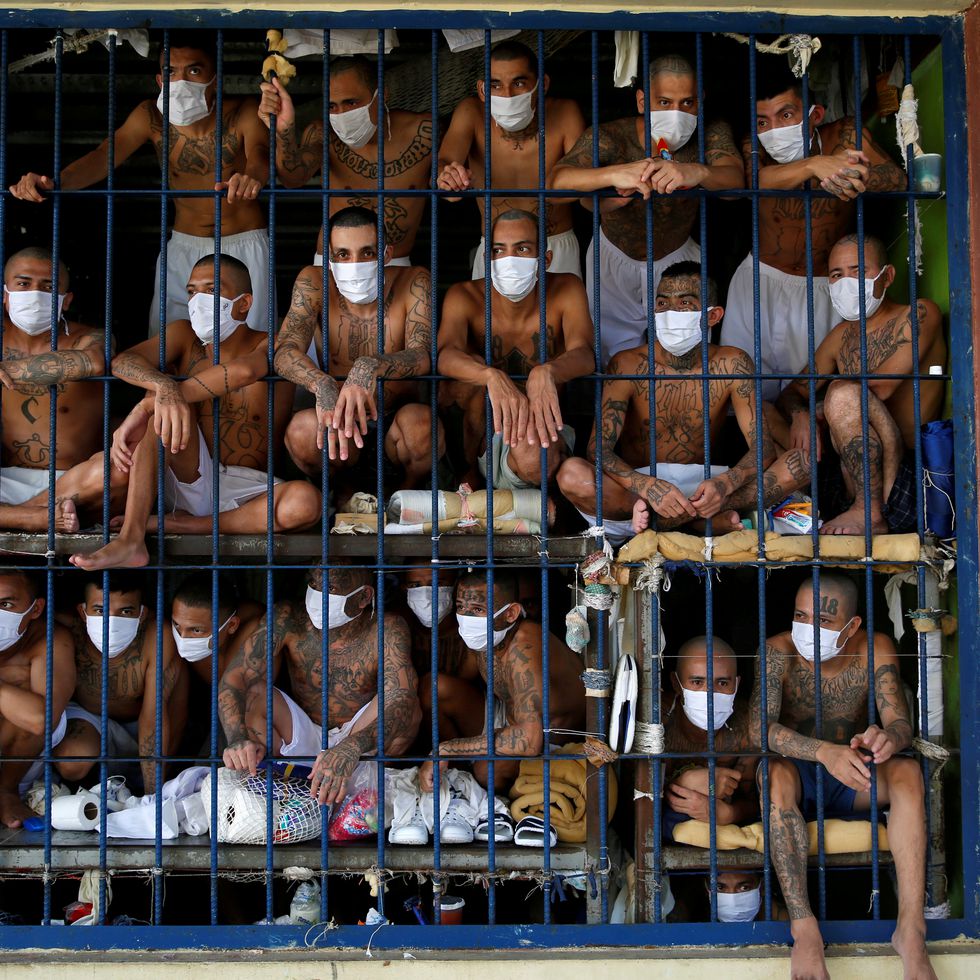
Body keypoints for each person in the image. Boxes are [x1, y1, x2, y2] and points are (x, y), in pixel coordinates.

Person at [68, 254, 320, 571]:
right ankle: (131, 538)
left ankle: (184, 524)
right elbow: (123, 361)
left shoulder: (272, 343)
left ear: (244, 303)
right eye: (191, 291)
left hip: (250, 493)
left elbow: (244, 371)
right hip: (189, 476)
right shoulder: (183, 335)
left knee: (306, 502)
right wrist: (162, 388)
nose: (199, 300)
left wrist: (150, 403)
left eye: (212, 290)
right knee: (162, 400)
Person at [9, 34, 272, 335]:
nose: (181, 81)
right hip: (183, 245)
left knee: (250, 338)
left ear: (215, 77)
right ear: (160, 79)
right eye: (171, 71)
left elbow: (260, 155)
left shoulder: (243, 111)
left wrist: (251, 178)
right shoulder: (151, 116)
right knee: (166, 339)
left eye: (194, 71)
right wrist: (54, 183)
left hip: (243, 243)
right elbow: (104, 156)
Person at [757, 573, 935, 980]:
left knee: (908, 771)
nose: (808, 628)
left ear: (852, 626)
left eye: (822, 620)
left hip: (853, 774)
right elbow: (760, 731)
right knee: (772, 773)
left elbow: (899, 723)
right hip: (797, 773)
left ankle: (911, 930)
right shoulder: (776, 651)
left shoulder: (875, 648)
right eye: (801, 616)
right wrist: (823, 752)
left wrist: (887, 738)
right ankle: (804, 929)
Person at [721, 65, 906, 402]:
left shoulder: (846, 135)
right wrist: (813, 165)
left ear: (815, 115)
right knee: (745, 393)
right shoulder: (754, 146)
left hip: (824, 287)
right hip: (760, 282)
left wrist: (859, 176)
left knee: (811, 394)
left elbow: (896, 178)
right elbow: (752, 181)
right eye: (763, 122)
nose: (773, 130)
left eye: (786, 115)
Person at [557, 262, 775, 543]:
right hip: (637, 492)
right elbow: (598, 450)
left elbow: (763, 448)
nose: (671, 313)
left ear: (713, 316)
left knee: (801, 463)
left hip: (706, 488)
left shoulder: (733, 363)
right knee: (571, 474)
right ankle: (699, 523)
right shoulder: (627, 364)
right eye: (662, 304)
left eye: (685, 303)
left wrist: (724, 484)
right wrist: (647, 486)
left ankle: (672, 521)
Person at [549, 53, 743, 366]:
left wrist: (697, 171)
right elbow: (554, 186)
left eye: (687, 103)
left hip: (678, 259)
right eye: (664, 102)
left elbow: (736, 183)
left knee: (686, 359)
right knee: (612, 362)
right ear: (642, 101)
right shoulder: (612, 137)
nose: (677, 114)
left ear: (701, 100)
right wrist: (614, 175)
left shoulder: (710, 132)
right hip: (612, 261)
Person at [764, 233, 945, 535]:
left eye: (858, 271)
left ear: (887, 276)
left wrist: (823, 410)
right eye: (837, 275)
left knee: (843, 392)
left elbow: (881, 387)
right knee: (764, 411)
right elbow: (794, 391)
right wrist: (801, 415)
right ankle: (790, 507)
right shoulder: (840, 336)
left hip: (902, 477)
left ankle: (869, 512)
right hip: (844, 473)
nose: (847, 282)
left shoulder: (918, 314)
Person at [219, 566, 421, 806]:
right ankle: (282, 786)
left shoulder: (387, 627)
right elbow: (235, 679)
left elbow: (401, 697)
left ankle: (364, 790)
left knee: (407, 707)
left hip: (360, 743)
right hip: (302, 735)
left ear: (364, 597)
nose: (317, 594)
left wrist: (351, 747)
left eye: (330, 588)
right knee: (254, 694)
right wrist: (237, 739)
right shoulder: (288, 617)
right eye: (313, 584)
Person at [274, 205, 438, 493]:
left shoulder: (414, 280)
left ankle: (402, 497)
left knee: (422, 425)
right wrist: (321, 383)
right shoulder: (314, 281)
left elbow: (422, 354)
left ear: (386, 254)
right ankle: (342, 496)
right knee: (301, 430)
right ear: (329, 258)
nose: (354, 263)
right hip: (338, 423)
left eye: (367, 252)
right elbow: (284, 351)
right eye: (342, 255)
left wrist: (369, 365)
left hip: (396, 423)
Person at [438, 208, 594, 491]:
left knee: (535, 458)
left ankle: (541, 493)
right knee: (466, 370)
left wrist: (547, 371)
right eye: (499, 250)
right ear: (487, 259)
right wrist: (490, 376)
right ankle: (468, 475)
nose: (509, 260)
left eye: (522, 249)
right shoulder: (465, 295)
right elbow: (445, 356)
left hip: (540, 429)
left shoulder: (567, 288)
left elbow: (584, 354)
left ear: (545, 259)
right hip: (480, 433)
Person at [418, 571, 585, 793]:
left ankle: (468, 775)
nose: (467, 618)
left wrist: (446, 749)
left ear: (510, 613)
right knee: (434, 689)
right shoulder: (486, 636)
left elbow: (529, 741)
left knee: (488, 770)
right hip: (506, 719)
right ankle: (454, 773)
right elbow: (462, 683)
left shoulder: (524, 647)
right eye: (460, 607)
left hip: (547, 739)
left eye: (478, 609)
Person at [258, 54, 432, 266]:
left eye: (351, 102)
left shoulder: (425, 132)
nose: (341, 114)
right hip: (333, 263)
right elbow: (292, 179)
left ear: (382, 95)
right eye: (332, 106)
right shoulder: (323, 133)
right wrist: (283, 131)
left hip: (393, 263)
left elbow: (449, 179)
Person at [436, 39, 586, 279]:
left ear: (542, 84)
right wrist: (447, 177)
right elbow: (444, 163)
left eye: (518, 83)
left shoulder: (565, 112)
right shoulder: (471, 112)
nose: (507, 95)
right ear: (482, 90)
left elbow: (585, 177)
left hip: (553, 244)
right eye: (495, 85)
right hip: (496, 248)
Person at [0, 247, 119, 534]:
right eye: (23, 283)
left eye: (48, 286)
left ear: (66, 301)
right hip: (3, 480)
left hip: (74, 484)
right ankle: (32, 518)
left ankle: (18, 517)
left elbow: (93, 362)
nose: (35, 294)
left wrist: (7, 369)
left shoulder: (89, 337)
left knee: (119, 470)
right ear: (5, 295)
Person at [53, 574, 187, 794]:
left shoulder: (157, 635)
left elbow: (153, 716)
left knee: (177, 680)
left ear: (142, 614)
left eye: (125, 612)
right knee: (72, 763)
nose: (111, 621)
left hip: (141, 721)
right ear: (83, 612)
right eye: (100, 610)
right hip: (90, 718)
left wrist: (151, 797)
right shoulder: (67, 629)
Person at [0, 568, 76, 828]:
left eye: (6, 605)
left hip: (24, 756)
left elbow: (41, 719)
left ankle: (6, 791)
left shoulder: (49, 639)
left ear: (35, 609)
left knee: (30, 706)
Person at [662, 637, 759, 839]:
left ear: (736, 684)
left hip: (725, 828)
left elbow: (759, 802)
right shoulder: (657, 720)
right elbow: (634, 798)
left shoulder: (748, 724)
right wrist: (685, 781)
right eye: (697, 682)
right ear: (676, 683)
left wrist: (729, 814)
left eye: (722, 683)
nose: (710, 695)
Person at [170, 571, 263, 685]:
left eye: (196, 630)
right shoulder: (167, 635)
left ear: (232, 625)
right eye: (176, 625)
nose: (182, 638)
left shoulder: (257, 628)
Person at [401, 560, 468, 681]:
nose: (425, 596)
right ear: (404, 589)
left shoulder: (471, 628)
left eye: (436, 583)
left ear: (455, 584)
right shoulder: (399, 625)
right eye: (416, 586)